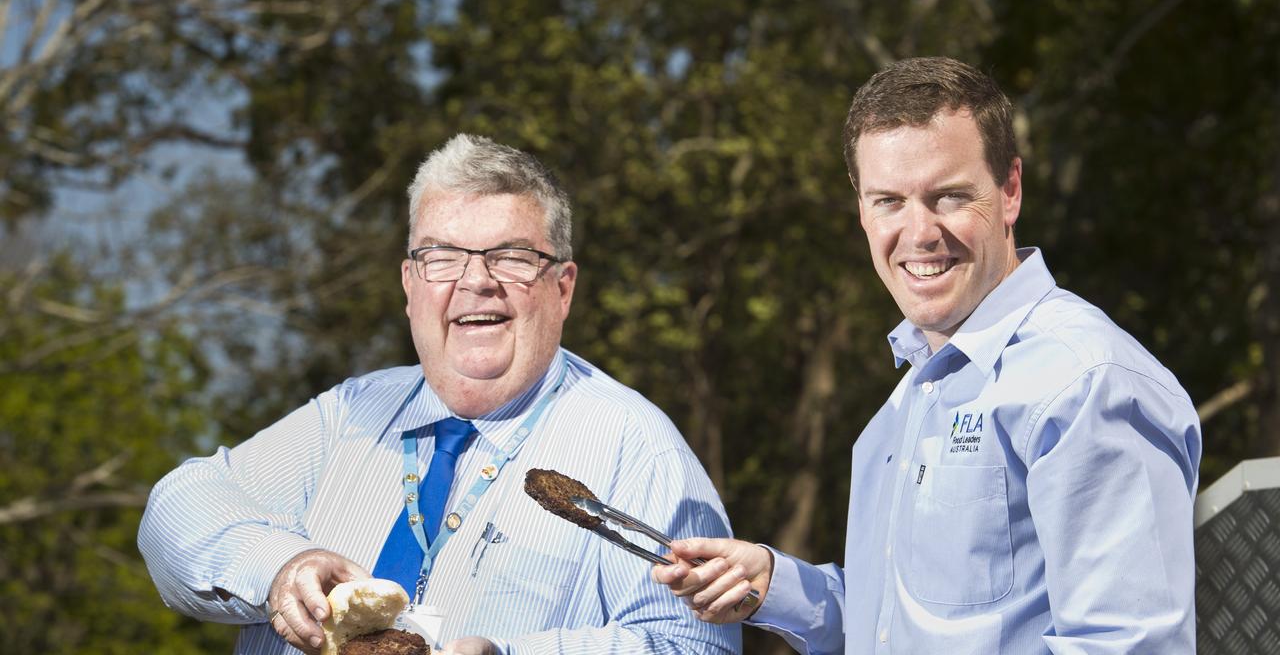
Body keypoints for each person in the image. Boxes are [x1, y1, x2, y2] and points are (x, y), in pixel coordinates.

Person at [652, 57, 1201, 653]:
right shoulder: (912, 393)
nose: (919, 233)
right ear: (861, 208)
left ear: (1010, 190)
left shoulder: (1086, 381)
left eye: (948, 196)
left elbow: (1129, 644)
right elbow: (895, 623)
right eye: (889, 201)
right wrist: (773, 583)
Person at [138, 134, 741, 655]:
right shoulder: (350, 412)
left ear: (562, 289)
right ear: (410, 285)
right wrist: (278, 567)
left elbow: (690, 643)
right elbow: (175, 507)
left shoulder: (634, 444)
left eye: (511, 257)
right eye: (443, 257)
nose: (476, 281)